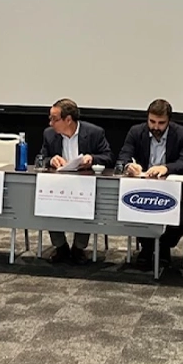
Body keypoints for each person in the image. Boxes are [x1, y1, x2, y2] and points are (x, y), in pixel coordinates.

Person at [117, 98, 183, 269]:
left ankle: (162, 245)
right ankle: (147, 247)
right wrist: (130, 165)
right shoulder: (136, 132)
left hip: (174, 189)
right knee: (133, 205)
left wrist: (165, 168)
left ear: (169, 121)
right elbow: (123, 157)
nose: (155, 127)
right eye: (152, 121)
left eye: (161, 123)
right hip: (142, 187)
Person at [40, 98, 112, 264]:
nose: (50, 123)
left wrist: (92, 158)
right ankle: (61, 247)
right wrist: (51, 160)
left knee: (87, 204)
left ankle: (79, 248)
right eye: (50, 118)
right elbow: (40, 158)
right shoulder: (49, 134)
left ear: (68, 120)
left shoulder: (94, 133)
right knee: (46, 201)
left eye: (54, 119)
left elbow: (108, 157)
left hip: (84, 185)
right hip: (57, 184)